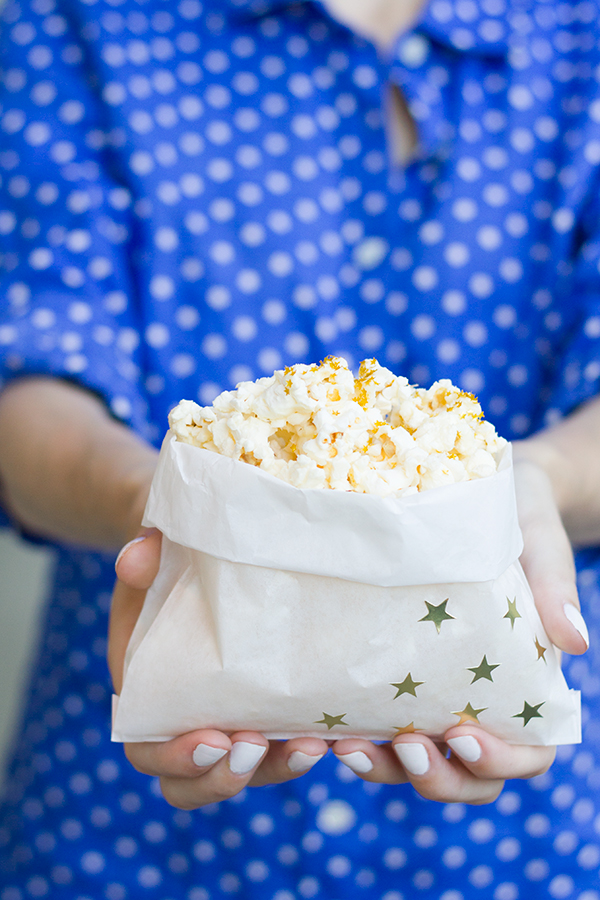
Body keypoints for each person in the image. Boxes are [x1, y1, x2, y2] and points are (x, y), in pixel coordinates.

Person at [0, 0, 599, 897]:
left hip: (523, 850)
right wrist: (171, 505)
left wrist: (532, 482)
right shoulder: (77, 17)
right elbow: (36, 364)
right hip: (126, 839)